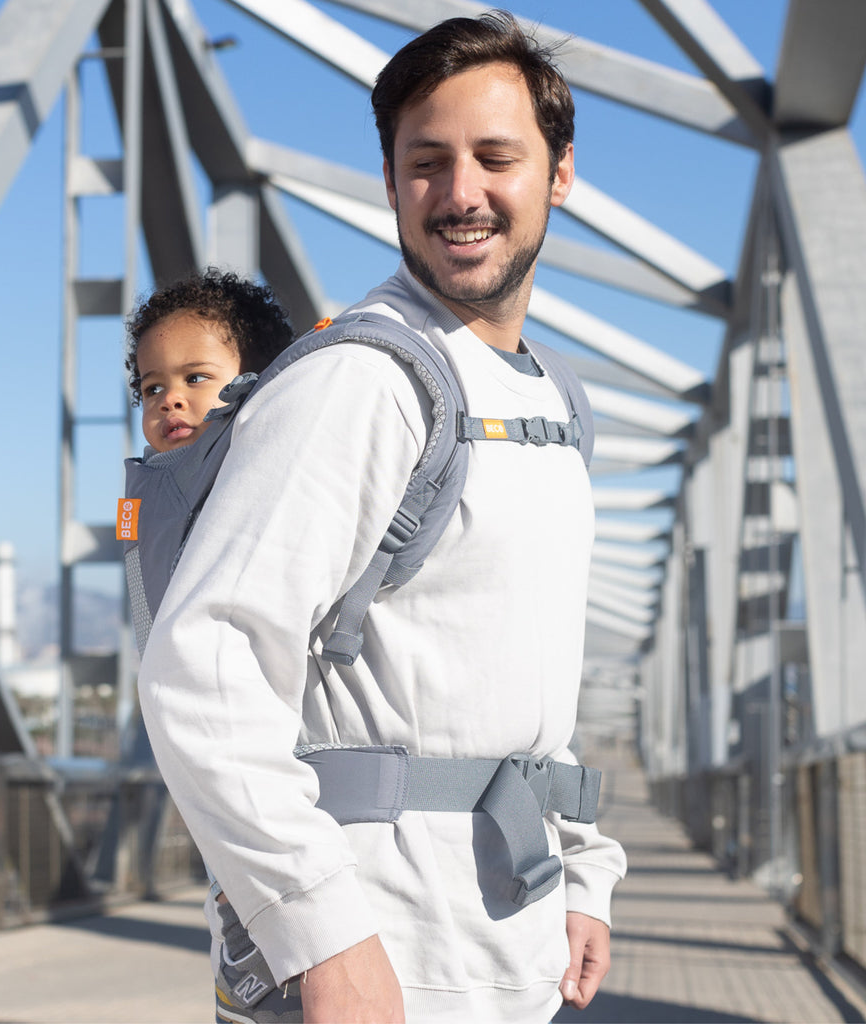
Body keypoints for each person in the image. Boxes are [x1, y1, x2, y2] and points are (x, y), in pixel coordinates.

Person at [137, 11, 627, 1023]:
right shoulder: (360, 381)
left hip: (505, 948)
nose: (460, 194)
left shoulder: (552, 403)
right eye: (425, 162)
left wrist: (581, 871)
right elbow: (206, 661)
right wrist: (324, 938)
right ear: (391, 179)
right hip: (373, 964)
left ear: (560, 173)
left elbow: (529, 691)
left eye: (496, 157)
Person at [125, 267, 294, 452]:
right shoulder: (147, 477)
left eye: (195, 378)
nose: (169, 400)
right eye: (153, 389)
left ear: (259, 385)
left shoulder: (279, 469)